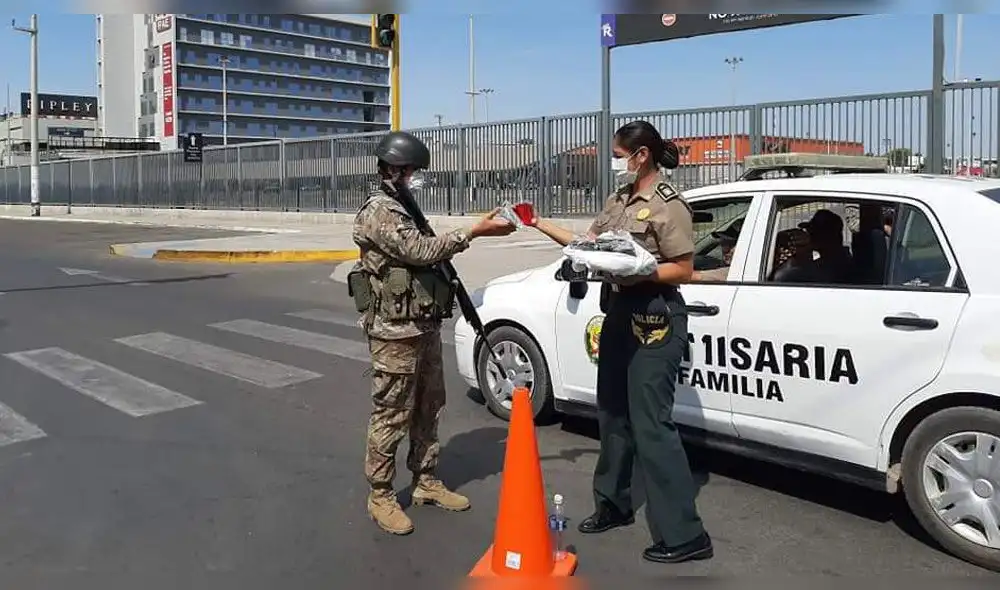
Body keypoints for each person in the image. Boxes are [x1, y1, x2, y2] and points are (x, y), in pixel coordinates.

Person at [525, 120, 713, 564]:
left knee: (652, 425)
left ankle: (686, 534)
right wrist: (539, 223)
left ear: (641, 154)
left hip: (655, 316)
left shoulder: (669, 205)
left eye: (618, 153)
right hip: (619, 313)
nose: (615, 162)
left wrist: (639, 272)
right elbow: (588, 244)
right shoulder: (618, 200)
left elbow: (683, 269)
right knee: (611, 414)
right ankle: (613, 503)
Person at [350, 131, 516, 535]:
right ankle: (381, 495)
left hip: (421, 325)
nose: (414, 178)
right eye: (411, 171)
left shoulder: (404, 207)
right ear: (393, 169)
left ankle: (426, 480)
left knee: (429, 406)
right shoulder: (380, 211)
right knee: (391, 413)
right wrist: (472, 233)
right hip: (394, 333)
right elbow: (420, 252)